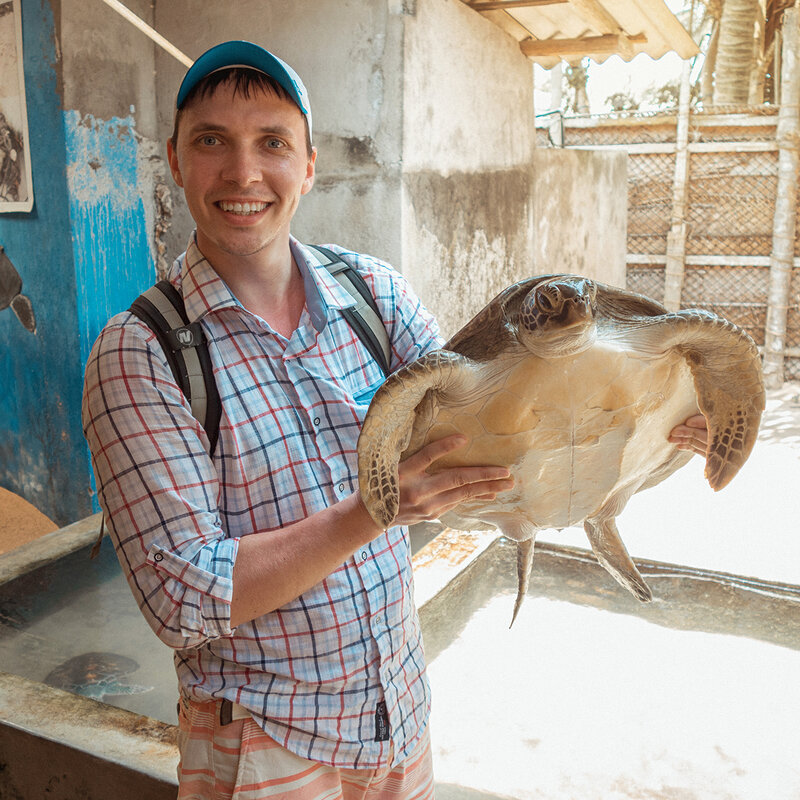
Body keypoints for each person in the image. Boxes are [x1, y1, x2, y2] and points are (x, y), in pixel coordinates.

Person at [82, 40, 708, 800]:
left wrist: (646, 428)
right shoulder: (142, 351)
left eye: (272, 143)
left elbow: (476, 450)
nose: (243, 173)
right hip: (265, 747)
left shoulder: (375, 296)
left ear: (309, 165)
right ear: (176, 161)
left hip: (401, 717)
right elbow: (182, 598)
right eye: (211, 140)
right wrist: (375, 510)